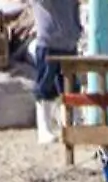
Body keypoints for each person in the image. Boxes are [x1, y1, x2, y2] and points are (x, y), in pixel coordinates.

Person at [30, 0, 82, 144]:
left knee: (71, 85)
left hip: (69, 43)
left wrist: (77, 29)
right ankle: (44, 129)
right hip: (49, 42)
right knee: (45, 85)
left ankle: (71, 123)